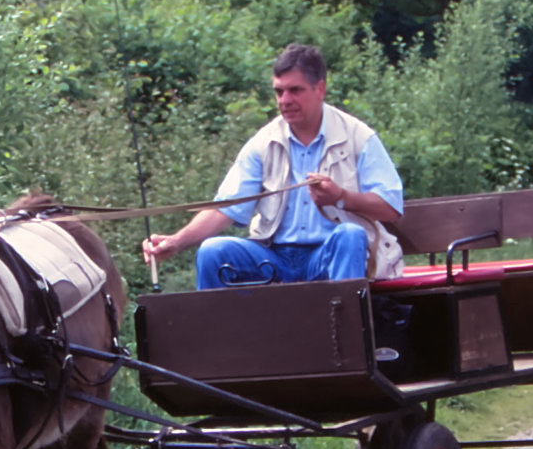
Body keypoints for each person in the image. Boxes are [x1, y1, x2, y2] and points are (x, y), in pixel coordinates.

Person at [142, 44, 404, 289]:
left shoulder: (359, 137)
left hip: (329, 254)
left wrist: (341, 198)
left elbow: (391, 207)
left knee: (350, 235)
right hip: (274, 258)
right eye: (279, 91)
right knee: (213, 252)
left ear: (320, 89)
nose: (284, 100)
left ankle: (344, 335)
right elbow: (226, 208)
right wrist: (175, 242)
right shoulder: (263, 143)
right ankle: (221, 338)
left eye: (295, 90)